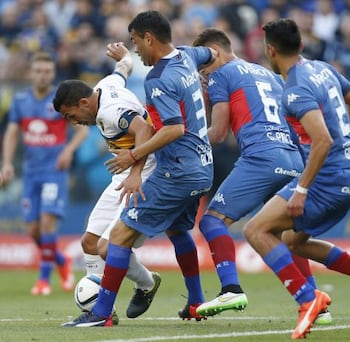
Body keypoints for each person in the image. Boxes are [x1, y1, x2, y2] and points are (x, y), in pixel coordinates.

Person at [243, 18, 350, 339]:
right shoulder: (323, 69)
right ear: (300, 44)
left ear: (271, 49)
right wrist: (347, 145)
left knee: (255, 229)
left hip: (328, 178)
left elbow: (323, 140)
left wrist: (301, 189)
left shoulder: (295, 89)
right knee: (292, 241)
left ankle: (307, 299)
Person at [62, 10, 215, 327]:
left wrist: (133, 165)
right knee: (98, 242)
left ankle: (103, 311)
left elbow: (162, 130)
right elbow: (213, 52)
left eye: (135, 42)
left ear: (149, 38)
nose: (135, 49)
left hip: (168, 167)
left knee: (113, 241)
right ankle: (193, 300)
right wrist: (122, 58)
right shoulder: (186, 56)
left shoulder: (150, 85)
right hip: (196, 163)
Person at [191, 28, 331, 325]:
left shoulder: (220, 75)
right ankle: (315, 303)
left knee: (212, 220)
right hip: (293, 157)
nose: (203, 72)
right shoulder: (267, 73)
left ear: (214, 51)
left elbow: (216, 133)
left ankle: (230, 288)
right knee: (282, 236)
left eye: (203, 65)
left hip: (261, 156)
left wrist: (186, 128)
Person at [53, 42, 161, 323]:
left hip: (147, 171)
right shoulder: (105, 84)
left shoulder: (110, 112)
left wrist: (136, 171)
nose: (73, 122)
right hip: (124, 173)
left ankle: (144, 285)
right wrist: (125, 56)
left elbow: (144, 128)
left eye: (70, 115)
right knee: (89, 242)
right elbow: (123, 68)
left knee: (108, 245)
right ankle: (98, 311)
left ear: (83, 103)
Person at [1, 52, 89, 296]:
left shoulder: (59, 101)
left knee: (48, 222)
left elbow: (82, 131)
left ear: (52, 74)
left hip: (54, 172)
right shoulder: (20, 100)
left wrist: (68, 151)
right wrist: (7, 163)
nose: (43, 75)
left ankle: (43, 280)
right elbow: (11, 132)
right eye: (38, 70)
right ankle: (62, 261)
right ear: (31, 73)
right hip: (30, 173)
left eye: (47, 71)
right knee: (33, 230)